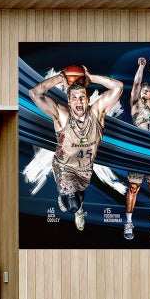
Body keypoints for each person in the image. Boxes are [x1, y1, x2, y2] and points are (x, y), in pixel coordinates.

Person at [30, 67, 124, 231]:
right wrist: (60, 79)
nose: (79, 101)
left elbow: (118, 87)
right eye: (74, 97)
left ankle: (74, 201)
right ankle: (76, 208)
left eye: (82, 97)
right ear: (69, 101)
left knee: (79, 195)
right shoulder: (62, 115)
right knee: (73, 205)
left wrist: (90, 77)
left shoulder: (97, 113)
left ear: (87, 99)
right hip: (64, 168)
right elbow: (34, 93)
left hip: (85, 169)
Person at [123, 57, 150, 240]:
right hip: (138, 152)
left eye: (148, 90)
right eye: (143, 90)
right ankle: (128, 222)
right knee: (133, 187)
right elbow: (136, 84)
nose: (144, 91)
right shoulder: (136, 105)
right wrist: (141, 67)